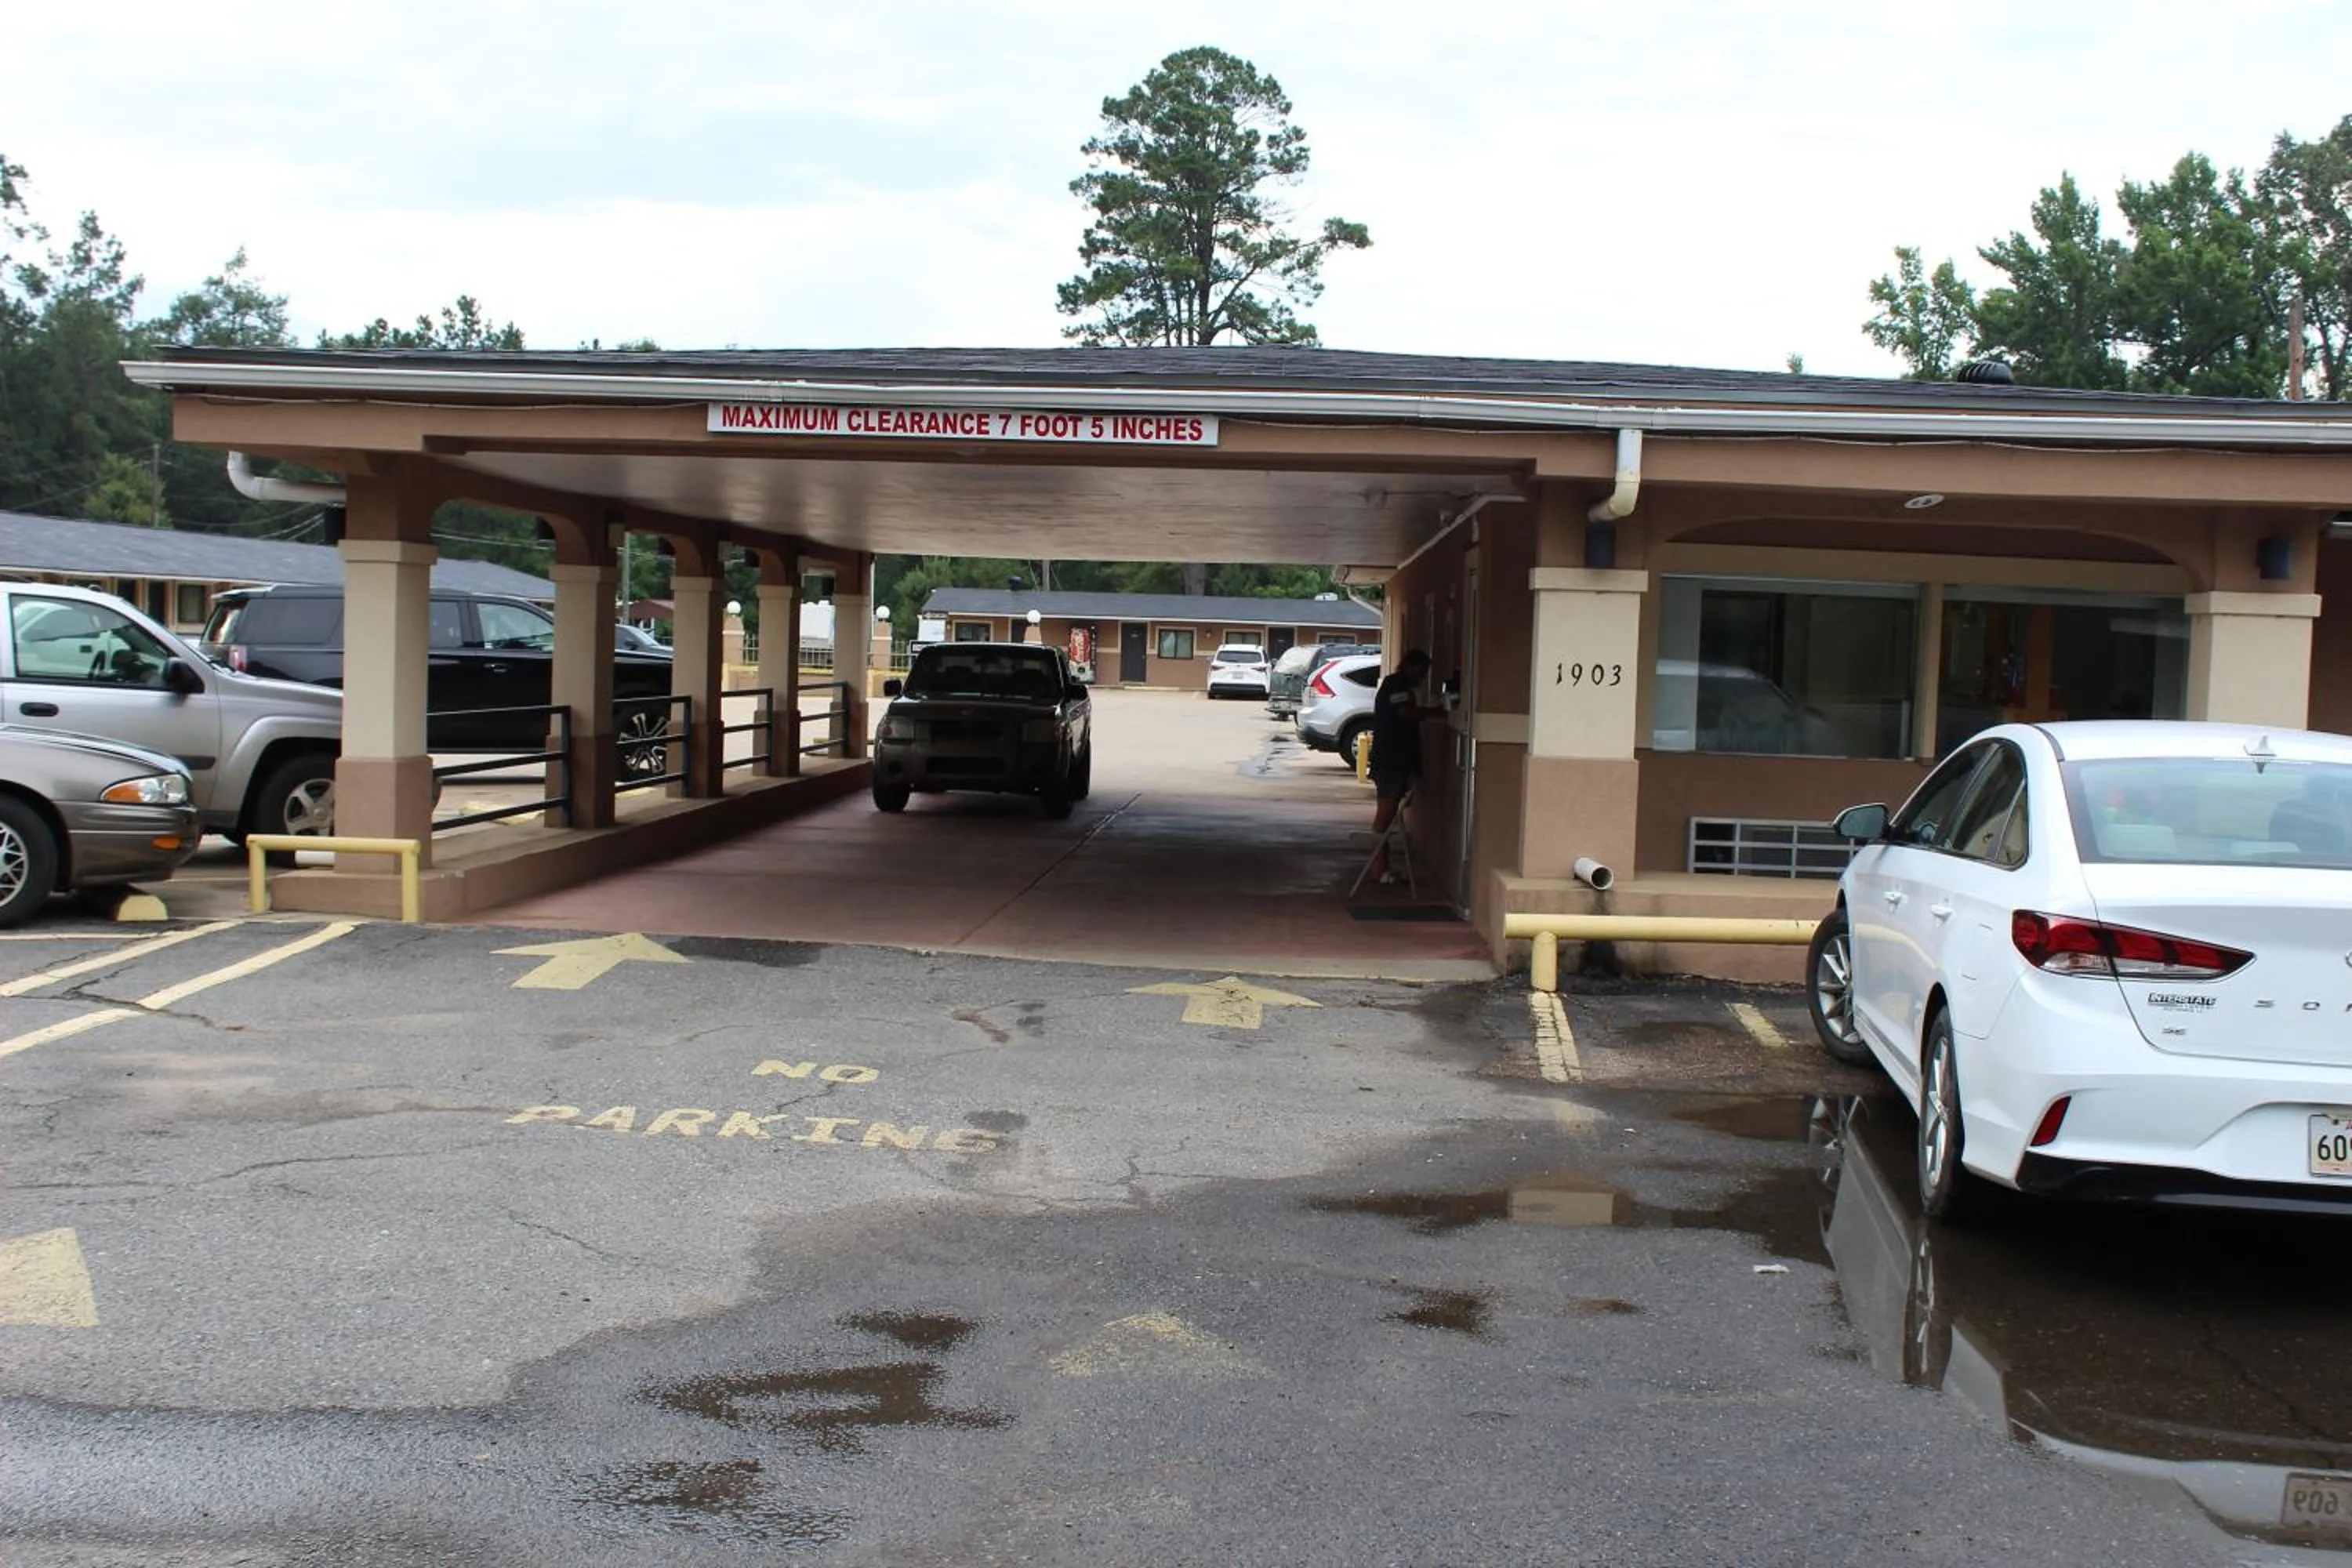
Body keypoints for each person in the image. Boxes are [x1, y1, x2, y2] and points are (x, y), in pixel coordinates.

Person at [1366, 649, 1445, 886]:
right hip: (1391, 760)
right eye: (1420, 672)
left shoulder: (1399, 686)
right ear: (1409, 666)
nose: (1422, 678)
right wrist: (1435, 713)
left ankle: (1382, 867)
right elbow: (1405, 712)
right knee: (1385, 815)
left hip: (1394, 760)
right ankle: (1378, 869)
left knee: (1389, 817)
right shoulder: (1397, 685)